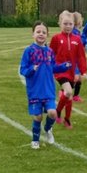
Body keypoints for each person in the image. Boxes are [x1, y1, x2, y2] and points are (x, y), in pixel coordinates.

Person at [18, 21, 70, 149]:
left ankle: (47, 129)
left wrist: (63, 66)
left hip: (48, 90)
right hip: (35, 91)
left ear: (47, 35)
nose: (41, 34)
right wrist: (32, 69)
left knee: (52, 113)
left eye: (44, 32)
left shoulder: (50, 51)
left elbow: (53, 67)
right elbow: (23, 70)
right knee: (38, 117)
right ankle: (35, 140)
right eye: (38, 32)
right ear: (33, 34)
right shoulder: (29, 51)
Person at [49, 10, 87, 130]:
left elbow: (81, 57)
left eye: (70, 24)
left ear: (73, 24)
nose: (68, 26)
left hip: (71, 72)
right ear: (60, 24)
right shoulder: (56, 38)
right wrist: (51, 68)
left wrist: (83, 71)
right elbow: (51, 55)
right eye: (65, 24)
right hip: (60, 71)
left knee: (68, 96)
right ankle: (58, 112)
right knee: (69, 92)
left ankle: (66, 118)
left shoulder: (77, 39)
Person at [71, 12, 85, 100]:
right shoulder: (74, 32)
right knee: (76, 78)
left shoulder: (77, 32)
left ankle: (76, 95)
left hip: (78, 59)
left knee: (79, 78)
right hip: (74, 59)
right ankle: (64, 91)